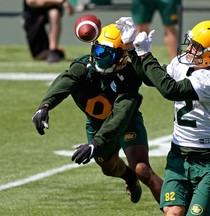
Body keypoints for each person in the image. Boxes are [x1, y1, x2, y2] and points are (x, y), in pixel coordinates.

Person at [32, 23, 163, 203]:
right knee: (108, 168)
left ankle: (175, 210)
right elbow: (65, 80)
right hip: (96, 124)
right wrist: (44, 106)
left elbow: (121, 115)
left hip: (127, 123)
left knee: (143, 170)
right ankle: (129, 177)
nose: (101, 59)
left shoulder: (130, 77)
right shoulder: (83, 66)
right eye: (100, 52)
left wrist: (95, 143)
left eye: (109, 56)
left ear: (123, 58)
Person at [116, 17, 210, 215]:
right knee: (173, 212)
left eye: (197, 47)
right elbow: (151, 78)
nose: (189, 50)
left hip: (208, 160)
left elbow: (170, 90)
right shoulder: (182, 65)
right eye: (191, 44)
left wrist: (146, 55)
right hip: (178, 154)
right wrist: (131, 48)